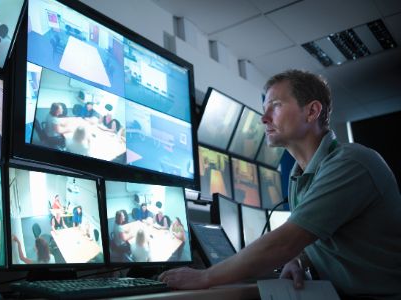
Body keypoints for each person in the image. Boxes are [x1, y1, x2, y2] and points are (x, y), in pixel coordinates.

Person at [159, 70, 401, 299]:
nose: (264, 119)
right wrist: (298, 260)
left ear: (312, 111)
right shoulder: (299, 176)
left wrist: (206, 277)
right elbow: (318, 239)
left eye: (275, 106)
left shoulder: (351, 162)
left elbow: (286, 241)